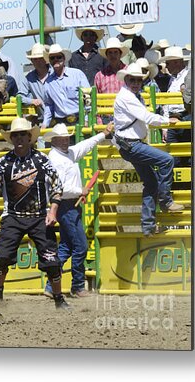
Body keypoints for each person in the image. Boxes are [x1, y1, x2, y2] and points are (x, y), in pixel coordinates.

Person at [0, 117, 69, 310]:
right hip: (13, 216)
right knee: (3, 257)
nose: (20, 138)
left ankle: (58, 298)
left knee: (51, 260)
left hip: (40, 216)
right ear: (11, 139)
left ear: (29, 137)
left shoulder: (42, 160)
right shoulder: (3, 162)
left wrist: (52, 211)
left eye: (23, 134)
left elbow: (57, 187)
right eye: (16, 135)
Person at [42, 122, 114, 298]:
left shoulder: (65, 154)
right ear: (54, 141)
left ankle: (52, 286)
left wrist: (103, 134)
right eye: (62, 139)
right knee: (80, 245)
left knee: (66, 246)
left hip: (66, 205)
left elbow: (84, 146)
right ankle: (77, 286)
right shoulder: (57, 160)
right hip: (65, 205)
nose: (66, 141)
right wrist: (80, 191)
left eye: (67, 138)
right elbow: (58, 188)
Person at [112, 63, 184, 237]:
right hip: (133, 144)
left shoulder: (132, 95)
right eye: (133, 80)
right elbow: (146, 117)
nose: (136, 83)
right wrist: (167, 121)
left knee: (151, 183)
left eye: (138, 80)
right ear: (126, 80)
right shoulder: (128, 97)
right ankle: (166, 201)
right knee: (167, 160)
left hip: (130, 144)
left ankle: (148, 227)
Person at [42, 44, 90, 143]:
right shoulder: (47, 82)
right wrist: (45, 123)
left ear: (64, 59)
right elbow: (49, 105)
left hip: (79, 121)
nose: (55, 59)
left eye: (58, 57)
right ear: (49, 60)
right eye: (52, 58)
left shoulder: (77, 74)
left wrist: (86, 119)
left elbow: (88, 99)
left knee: (83, 154)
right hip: (60, 123)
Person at [94, 37, 129, 124]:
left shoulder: (129, 72)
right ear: (107, 55)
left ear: (120, 54)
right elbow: (95, 100)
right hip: (107, 118)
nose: (113, 55)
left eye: (115, 52)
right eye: (110, 52)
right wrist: (99, 121)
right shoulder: (100, 75)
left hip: (127, 115)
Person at [17, 43, 52, 124]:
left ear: (45, 59)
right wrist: (32, 101)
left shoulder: (55, 73)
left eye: (40, 58)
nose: (38, 61)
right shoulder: (29, 78)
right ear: (31, 61)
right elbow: (19, 97)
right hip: (42, 120)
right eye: (35, 59)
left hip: (59, 118)